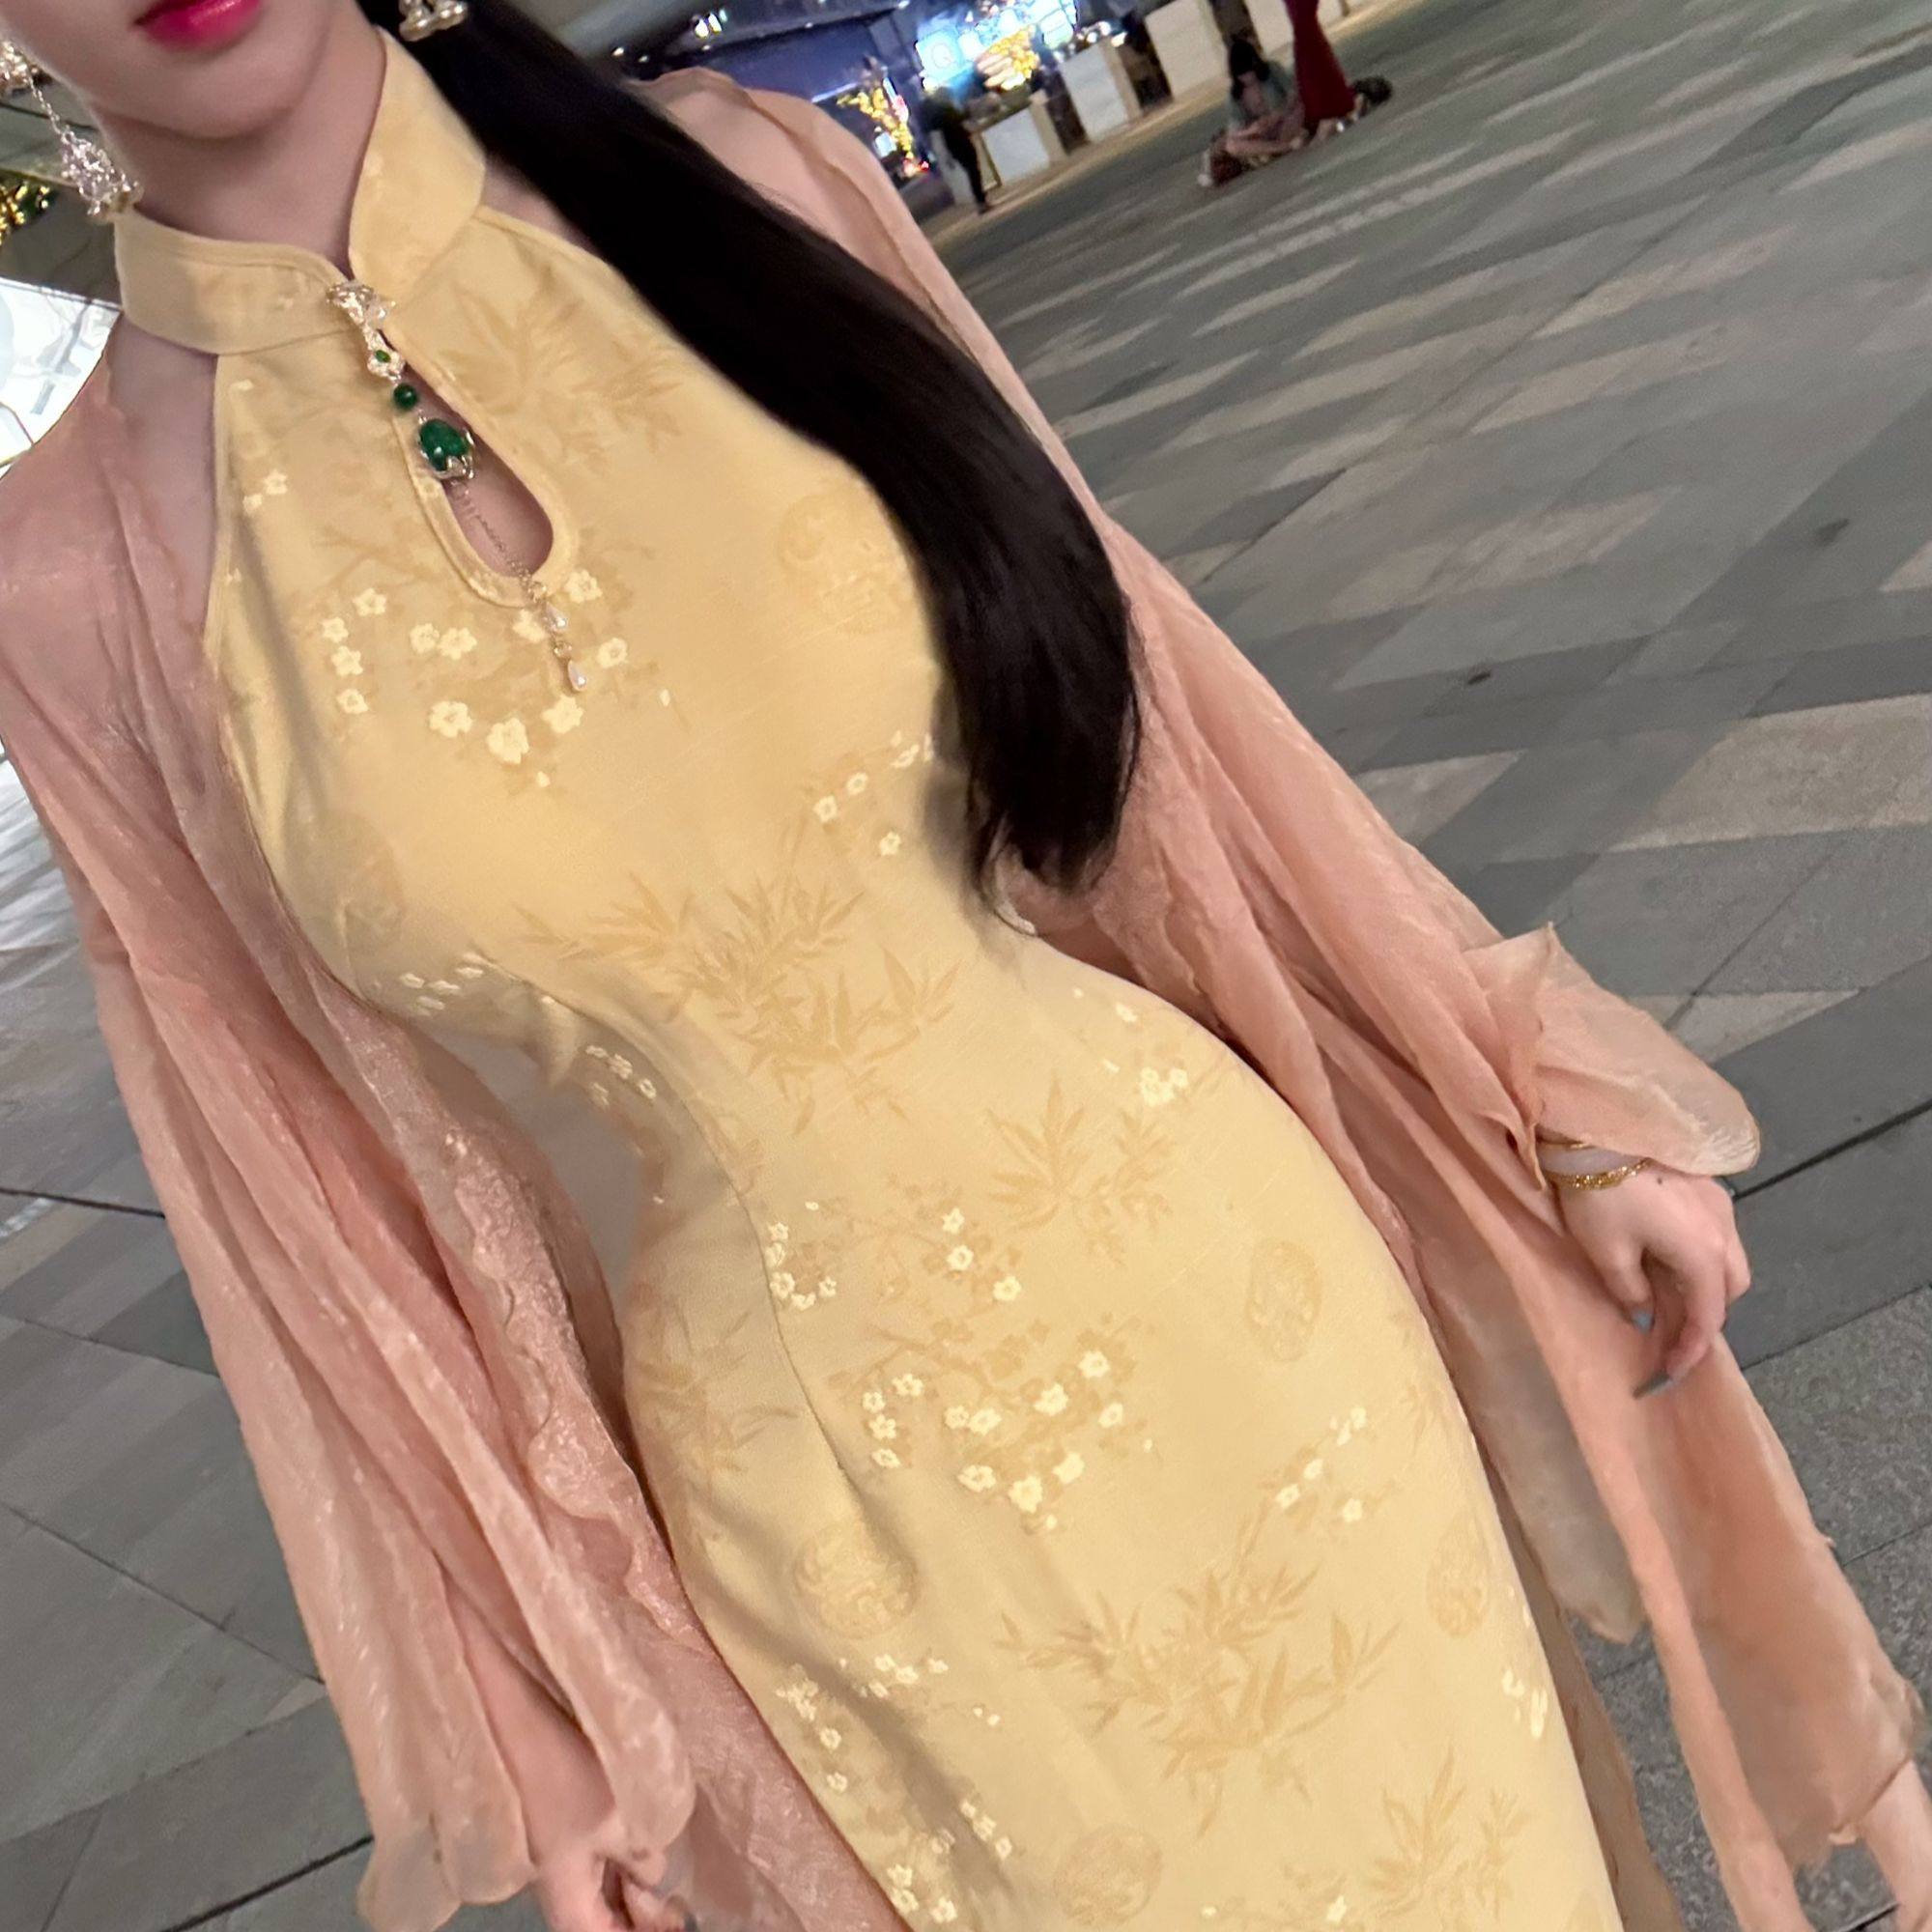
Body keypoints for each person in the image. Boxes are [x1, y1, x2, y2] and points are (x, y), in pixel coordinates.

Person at [1, 6, 1931, 1932]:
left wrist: (1530, 1092)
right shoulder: (66, 570)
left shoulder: (746, 184)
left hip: (1233, 1304)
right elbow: (295, 1202)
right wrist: (528, 1711)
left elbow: (1174, 744)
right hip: (828, 1526)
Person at [922, 85, 986, 212]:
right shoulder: (947, 111)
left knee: (972, 172)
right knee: (974, 172)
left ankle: (981, 200)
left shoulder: (939, 115)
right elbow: (959, 120)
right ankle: (981, 201)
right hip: (962, 144)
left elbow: (941, 136)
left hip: (956, 147)